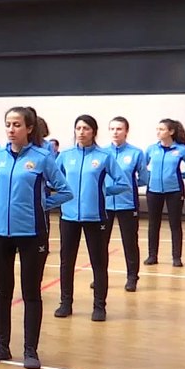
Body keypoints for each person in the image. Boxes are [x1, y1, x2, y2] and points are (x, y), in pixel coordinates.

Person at [0, 107, 73, 369]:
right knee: (2, 291)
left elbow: (65, 191)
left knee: (31, 292)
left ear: (29, 128)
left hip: (33, 234)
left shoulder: (43, 158)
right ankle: (2, 345)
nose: (11, 129)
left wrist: (43, 203)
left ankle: (30, 350)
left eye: (17, 124)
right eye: (8, 124)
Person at [56, 115, 129, 322]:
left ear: (94, 132)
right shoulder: (65, 156)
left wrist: (104, 191)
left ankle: (99, 306)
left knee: (99, 263)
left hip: (95, 217)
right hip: (68, 217)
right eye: (78, 127)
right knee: (66, 261)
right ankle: (65, 303)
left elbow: (123, 183)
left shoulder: (104, 156)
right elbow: (53, 180)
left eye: (86, 128)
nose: (81, 132)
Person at [144, 119, 185, 268]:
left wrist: (178, 177)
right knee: (153, 223)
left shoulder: (181, 150)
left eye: (161, 129)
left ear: (171, 132)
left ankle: (176, 257)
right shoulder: (151, 149)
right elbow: (142, 168)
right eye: (157, 129)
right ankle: (152, 255)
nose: (158, 132)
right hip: (153, 191)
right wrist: (148, 178)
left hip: (174, 192)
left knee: (175, 224)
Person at [103, 117, 150, 291]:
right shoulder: (102, 152)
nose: (115, 132)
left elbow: (144, 178)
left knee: (130, 242)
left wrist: (128, 188)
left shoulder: (136, 153)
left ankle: (132, 277)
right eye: (112, 128)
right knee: (100, 243)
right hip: (105, 203)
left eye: (119, 129)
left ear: (126, 131)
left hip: (128, 204)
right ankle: (100, 276)